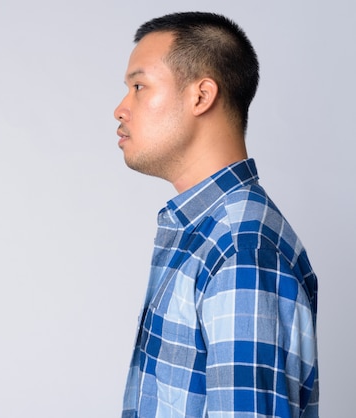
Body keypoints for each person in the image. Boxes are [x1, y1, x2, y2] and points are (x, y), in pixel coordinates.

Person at [114, 12, 319, 417]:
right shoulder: (203, 231)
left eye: (139, 87)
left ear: (201, 96)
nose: (120, 109)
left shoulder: (241, 249)